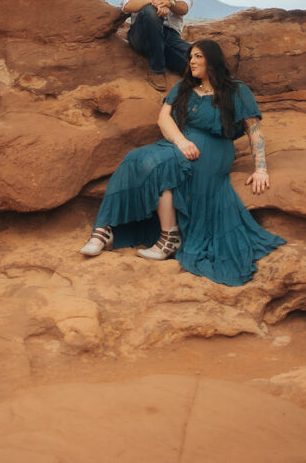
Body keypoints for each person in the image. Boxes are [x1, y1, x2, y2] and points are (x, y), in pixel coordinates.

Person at [79, 39, 286, 286]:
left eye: (198, 56)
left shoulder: (236, 90)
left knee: (165, 167)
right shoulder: (184, 87)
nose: (192, 62)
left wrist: (261, 168)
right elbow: (163, 118)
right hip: (179, 145)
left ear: (212, 59)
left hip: (213, 151)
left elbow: (254, 130)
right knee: (135, 158)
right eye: (190, 57)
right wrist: (181, 142)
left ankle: (168, 238)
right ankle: (105, 230)